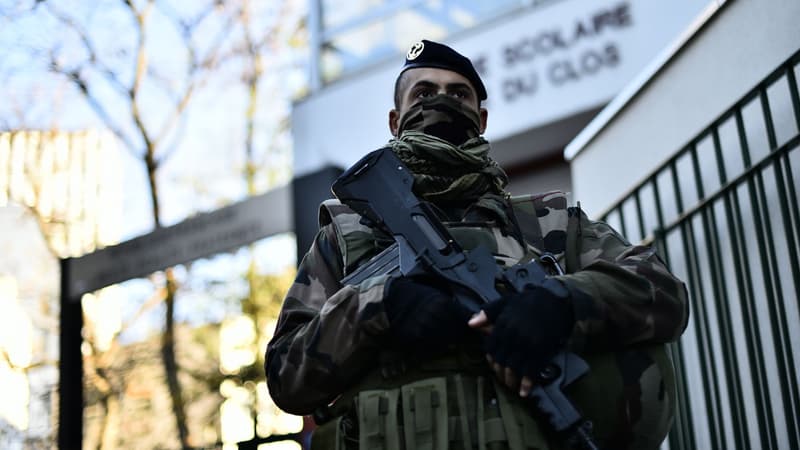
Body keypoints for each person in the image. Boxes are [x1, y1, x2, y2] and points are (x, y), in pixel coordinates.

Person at [266, 39, 689, 450]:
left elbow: (663, 292)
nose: (442, 102)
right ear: (395, 121)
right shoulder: (346, 233)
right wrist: (377, 306)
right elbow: (286, 376)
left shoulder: (548, 222)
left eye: (458, 93)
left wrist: (562, 302)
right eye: (425, 92)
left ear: (481, 119)